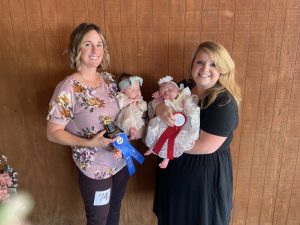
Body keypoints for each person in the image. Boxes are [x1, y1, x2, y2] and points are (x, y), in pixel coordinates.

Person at [46, 23, 129, 225]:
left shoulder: (109, 81)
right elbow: (53, 132)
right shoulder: (68, 88)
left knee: (114, 214)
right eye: (88, 44)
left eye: (99, 44)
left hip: (120, 163)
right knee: (98, 220)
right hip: (94, 169)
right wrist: (90, 143)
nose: (95, 50)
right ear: (77, 49)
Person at [152, 41, 242, 225]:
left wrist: (161, 143)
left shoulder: (224, 102)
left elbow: (204, 146)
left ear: (223, 69)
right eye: (200, 62)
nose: (205, 69)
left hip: (204, 179)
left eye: (213, 64)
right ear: (193, 64)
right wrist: (159, 108)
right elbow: (156, 102)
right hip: (174, 173)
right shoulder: (182, 87)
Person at [144, 75, 200, 168]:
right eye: (164, 92)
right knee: (158, 132)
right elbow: (155, 103)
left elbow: (191, 105)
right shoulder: (165, 102)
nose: (167, 92)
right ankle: (153, 148)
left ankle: (166, 159)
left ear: (178, 89)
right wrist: (158, 100)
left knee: (173, 140)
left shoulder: (184, 96)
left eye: (170, 89)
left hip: (180, 124)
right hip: (166, 122)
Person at [114, 73, 147, 140]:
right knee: (127, 118)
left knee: (142, 124)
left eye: (138, 89)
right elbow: (120, 103)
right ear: (123, 91)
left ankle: (136, 136)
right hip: (125, 119)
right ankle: (130, 133)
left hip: (138, 121)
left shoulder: (139, 99)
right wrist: (130, 101)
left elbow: (145, 105)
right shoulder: (121, 96)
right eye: (133, 90)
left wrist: (140, 106)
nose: (137, 92)